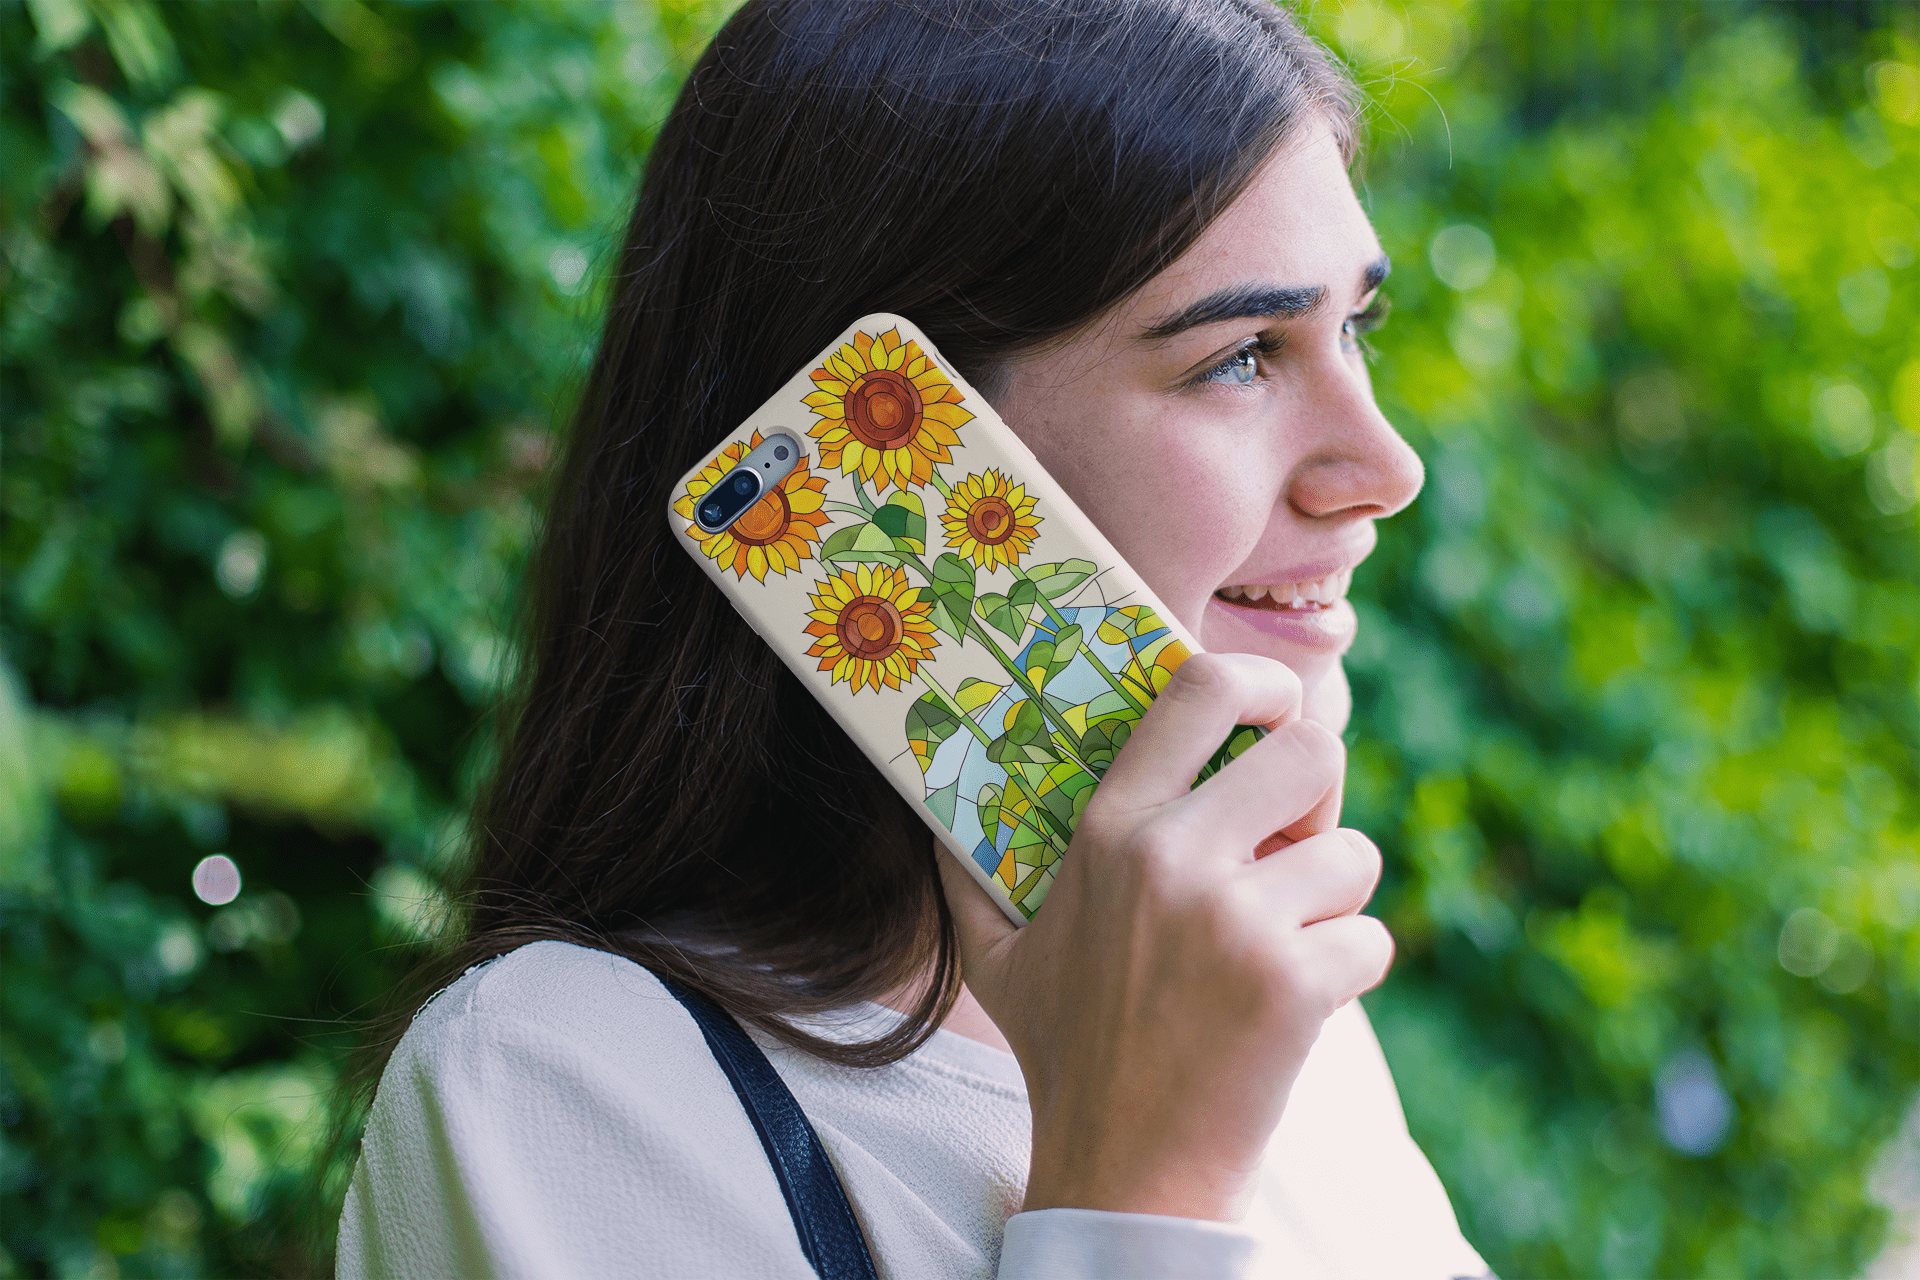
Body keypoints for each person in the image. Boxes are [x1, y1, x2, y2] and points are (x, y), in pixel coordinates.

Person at [337, 1, 1493, 1276]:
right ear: (882, 450)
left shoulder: (1270, 1003)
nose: (1384, 466)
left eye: (1354, 329)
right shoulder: (560, 1082)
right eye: (1240, 356)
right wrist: (1137, 1195)